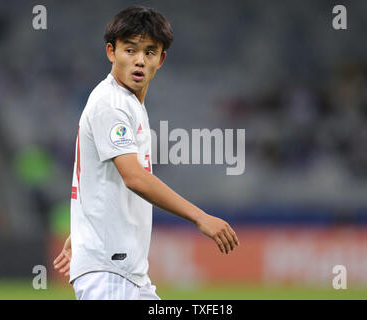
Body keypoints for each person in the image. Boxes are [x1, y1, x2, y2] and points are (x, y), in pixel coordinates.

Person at [53, 5, 239, 300]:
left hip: (126, 274)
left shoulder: (127, 103)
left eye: (149, 52)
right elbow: (134, 178)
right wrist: (200, 216)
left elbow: (101, 179)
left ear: (161, 59)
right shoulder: (112, 104)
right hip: (110, 275)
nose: (139, 60)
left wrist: (84, 231)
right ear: (111, 52)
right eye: (130, 50)